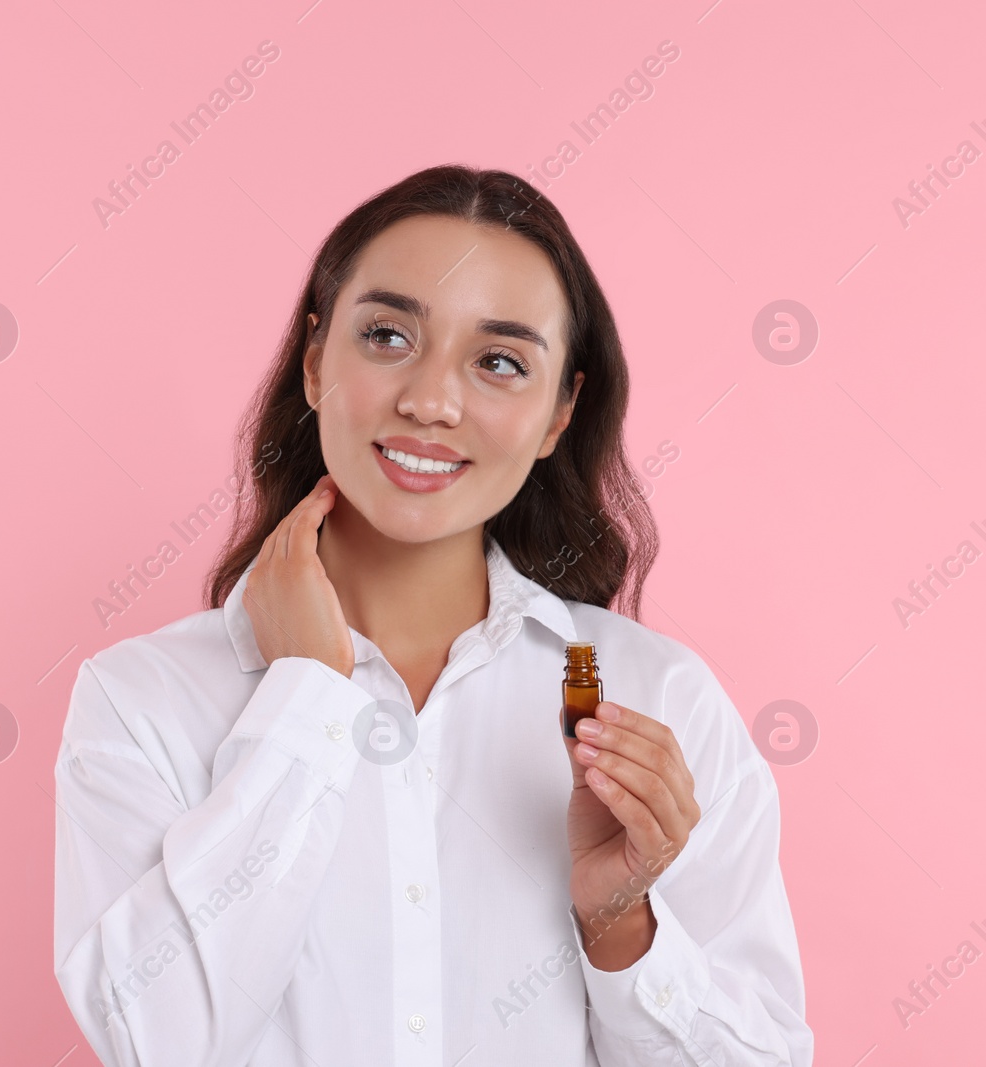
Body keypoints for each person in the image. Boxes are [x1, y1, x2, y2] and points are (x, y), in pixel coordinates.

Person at [52, 165, 811, 1065]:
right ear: (312, 360)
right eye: (385, 335)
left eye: (498, 361)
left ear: (561, 410)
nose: (431, 401)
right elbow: (154, 1042)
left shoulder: (660, 697)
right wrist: (303, 695)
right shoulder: (143, 702)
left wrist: (619, 923)